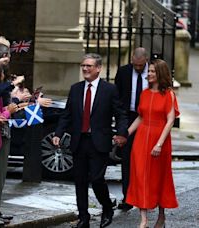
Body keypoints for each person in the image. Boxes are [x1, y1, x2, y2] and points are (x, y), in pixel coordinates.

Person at [52, 53, 128, 228]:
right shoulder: (76, 89)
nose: (85, 69)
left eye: (89, 66)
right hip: (79, 141)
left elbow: (121, 114)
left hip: (99, 142)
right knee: (79, 180)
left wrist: (122, 133)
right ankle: (83, 218)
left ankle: (107, 207)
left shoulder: (109, 90)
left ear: (98, 68)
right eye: (83, 66)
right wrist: (58, 133)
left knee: (96, 178)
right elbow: (67, 115)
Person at [126, 59, 179, 228]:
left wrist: (159, 144)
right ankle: (143, 220)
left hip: (160, 139)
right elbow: (141, 117)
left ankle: (161, 216)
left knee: (159, 177)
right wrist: (126, 134)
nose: (149, 74)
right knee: (140, 176)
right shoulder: (144, 93)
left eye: (153, 72)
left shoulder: (169, 94)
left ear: (160, 74)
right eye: (149, 71)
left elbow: (170, 120)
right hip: (141, 139)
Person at [114, 47, 149, 211]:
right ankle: (127, 197)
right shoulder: (123, 72)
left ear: (146, 60)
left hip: (149, 120)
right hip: (128, 117)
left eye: (141, 66)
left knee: (146, 159)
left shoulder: (155, 72)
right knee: (127, 158)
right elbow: (118, 98)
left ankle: (146, 195)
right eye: (135, 65)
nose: (138, 69)